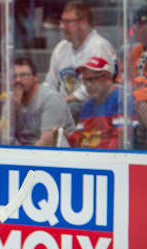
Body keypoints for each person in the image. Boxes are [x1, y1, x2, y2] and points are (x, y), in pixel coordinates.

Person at [43, 1, 116, 121]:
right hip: (66, 106)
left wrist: (63, 102)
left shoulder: (100, 47)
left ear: (83, 23)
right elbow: (50, 82)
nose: (62, 26)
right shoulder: (61, 48)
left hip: (95, 108)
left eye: (67, 22)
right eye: (62, 21)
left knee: (72, 108)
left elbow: (99, 87)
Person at [0, 57, 75, 146]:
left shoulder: (51, 98)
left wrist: (23, 158)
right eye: (14, 76)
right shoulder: (13, 101)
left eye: (23, 75)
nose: (18, 80)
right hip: (28, 152)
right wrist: (13, 110)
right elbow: (0, 140)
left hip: (56, 154)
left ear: (35, 77)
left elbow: (47, 141)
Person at [68, 55, 136, 149]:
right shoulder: (87, 106)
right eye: (85, 80)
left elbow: (120, 141)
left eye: (91, 79)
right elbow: (79, 139)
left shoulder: (122, 98)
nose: (87, 85)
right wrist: (66, 137)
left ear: (107, 78)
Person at [116, 4, 147, 149]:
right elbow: (120, 86)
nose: (136, 28)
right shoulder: (132, 53)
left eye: (140, 23)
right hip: (133, 115)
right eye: (135, 23)